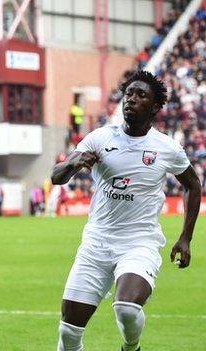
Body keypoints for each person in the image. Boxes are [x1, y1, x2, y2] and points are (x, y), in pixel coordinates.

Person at [51, 70, 200, 351]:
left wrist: (185, 238)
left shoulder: (166, 148)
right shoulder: (98, 138)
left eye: (140, 95)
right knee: (69, 331)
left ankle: (131, 348)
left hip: (138, 242)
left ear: (155, 107)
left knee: (127, 307)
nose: (131, 99)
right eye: (128, 94)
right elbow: (56, 176)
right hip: (96, 243)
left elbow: (192, 184)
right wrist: (74, 163)